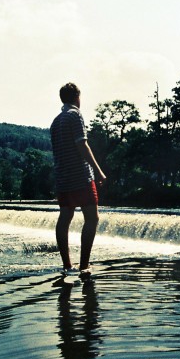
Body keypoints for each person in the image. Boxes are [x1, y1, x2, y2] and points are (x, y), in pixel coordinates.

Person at [50, 82, 107, 277]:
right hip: (80, 176)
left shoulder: (55, 121)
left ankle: (67, 265)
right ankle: (84, 265)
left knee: (65, 217)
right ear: (76, 97)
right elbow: (82, 145)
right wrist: (98, 170)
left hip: (62, 177)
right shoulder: (75, 115)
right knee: (92, 217)